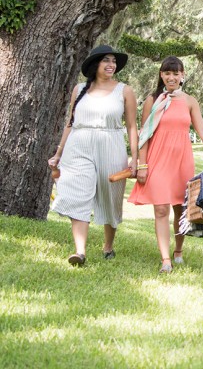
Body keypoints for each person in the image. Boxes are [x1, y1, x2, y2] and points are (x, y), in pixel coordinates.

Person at [128, 56, 203, 273]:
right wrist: (142, 165)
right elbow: (144, 135)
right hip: (157, 160)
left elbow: (202, 130)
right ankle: (165, 259)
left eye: (175, 73)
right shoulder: (153, 101)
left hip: (181, 161)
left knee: (180, 209)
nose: (171, 77)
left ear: (182, 76)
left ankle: (178, 250)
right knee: (161, 208)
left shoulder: (190, 101)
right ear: (161, 75)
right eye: (167, 73)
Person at [48, 45, 138, 266]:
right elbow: (71, 122)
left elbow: (132, 127)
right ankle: (80, 252)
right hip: (79, 145)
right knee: (78, 193)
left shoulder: (124, 90)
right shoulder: (79, 89)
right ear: (95, 64)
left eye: (114, 61)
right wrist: (59, 153)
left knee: (111, 197)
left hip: (111, 145)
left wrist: (134, 158)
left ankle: (108, 246)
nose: (111, 65)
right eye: (106, 60)